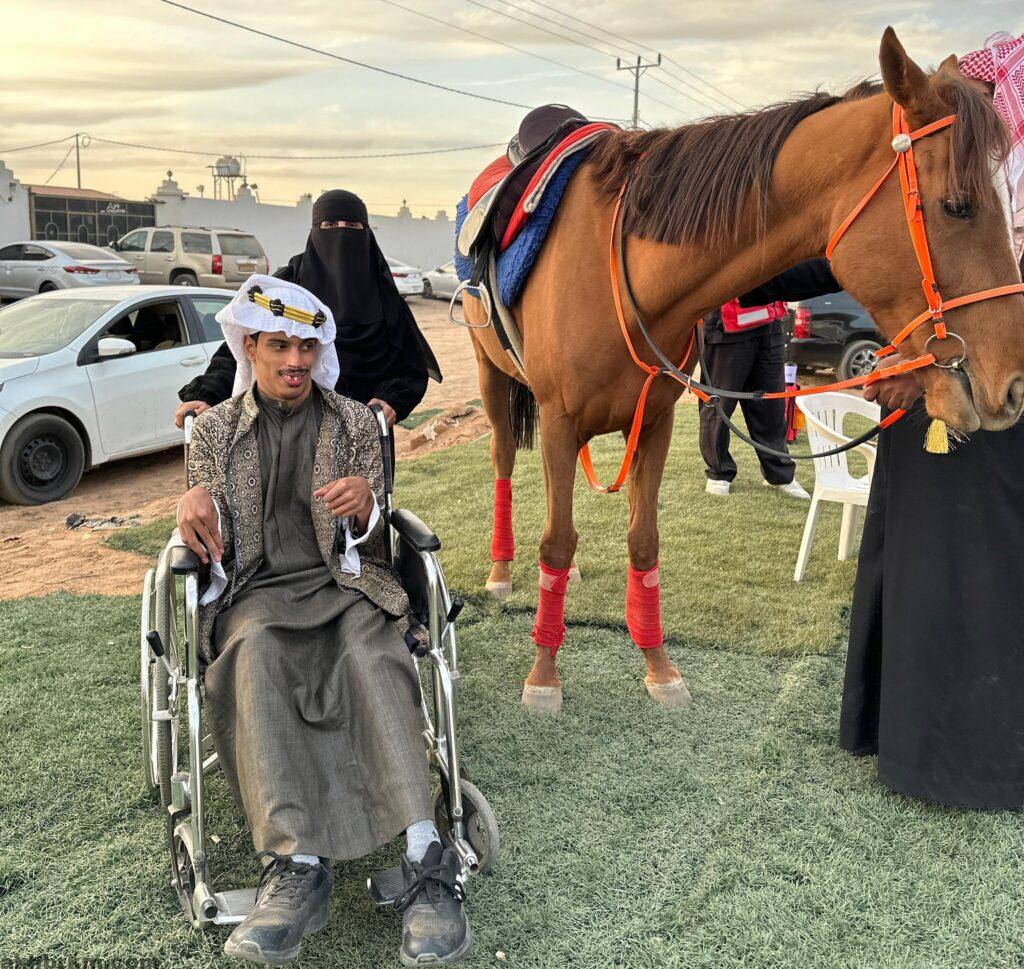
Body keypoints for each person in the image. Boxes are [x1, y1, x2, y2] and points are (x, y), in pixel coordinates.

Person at [175, 276, 469, 966]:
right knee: (253, 656)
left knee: (373, 658)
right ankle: (297, 869)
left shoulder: (355, 423)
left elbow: (373, 541)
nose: (295, 361)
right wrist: (190, 505)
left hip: (344, 585)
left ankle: (427, 857)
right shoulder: (213, 432)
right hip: (254, 594)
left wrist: (368, 505)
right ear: (250, 346)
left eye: (307, 347)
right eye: (280, 346)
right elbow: (207, 524)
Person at [743, 244, 1024, 810]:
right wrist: (727, 274)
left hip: (1000, 422)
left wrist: (924, 371)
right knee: (917, 579)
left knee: (982, 581)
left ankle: (983, 763)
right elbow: (864, 250)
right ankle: (908, 740)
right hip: (929, 425)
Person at [175, 190, 441, 430]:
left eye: (352, 226)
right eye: (329, 225)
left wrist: (391, 399)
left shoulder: (385, 298)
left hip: (364, 430)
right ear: (315, 230)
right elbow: (241, 351)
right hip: (293, 429)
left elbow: (411, 368)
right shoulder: (287, 289)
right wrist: (206, 394)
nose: (341, 234)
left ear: (366, 232)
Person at [698, 298, 810, 498]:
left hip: (770, 325)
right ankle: (719, 473)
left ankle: (779, 475)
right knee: (718, 406)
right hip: (727, 327)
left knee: (772, 408)